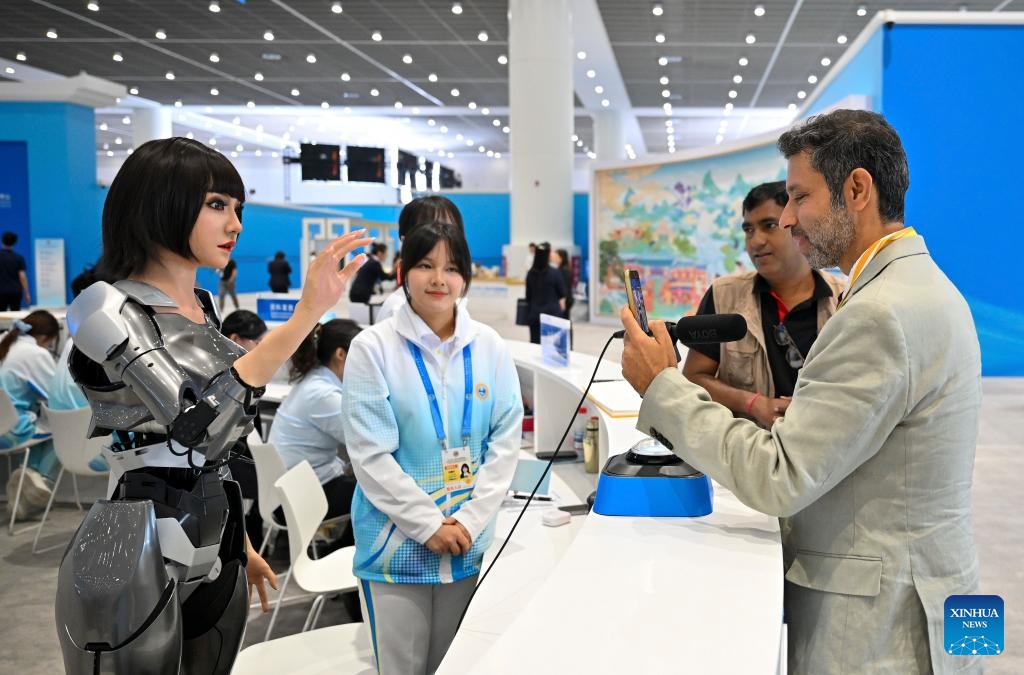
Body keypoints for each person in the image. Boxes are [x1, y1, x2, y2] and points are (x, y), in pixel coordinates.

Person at [618, 109, 981, 673]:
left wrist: (662, 387)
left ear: (856, 189)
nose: (785, 219)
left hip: (882, 626)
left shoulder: (878, 314)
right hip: (939, 588)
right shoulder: (929, 288)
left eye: (798, 197)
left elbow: (780, 476)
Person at [56, 136, 372, 674]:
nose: (235, 225)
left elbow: (219, 450)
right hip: (136, 543)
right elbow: (196, 428)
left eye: (238, 208)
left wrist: (239, 540)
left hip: (218, 538)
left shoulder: (202, 306)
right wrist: (305, 316)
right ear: (161, 203)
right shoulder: (106, 308)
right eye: (217, 205)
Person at [343, 221, 522, 674]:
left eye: (451, 267)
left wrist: (469, 520)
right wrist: (427, 525)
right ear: (403, 270)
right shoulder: (373, 348)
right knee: (402, 668)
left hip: (466, 541)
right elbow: (369, 456)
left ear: (466, 276)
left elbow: (505, 441)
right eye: (426, 265)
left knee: (455, 665)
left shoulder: (491, 347)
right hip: (394, 545)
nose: (439, 279)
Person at [682, 181, 843, 428]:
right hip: (748, 451)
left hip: (824, 452)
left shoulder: (845, 298)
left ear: (797, 225)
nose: (755, 241)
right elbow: (694, 377)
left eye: (769, 226)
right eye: (748, 229)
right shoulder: (724, 295)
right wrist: (752, 403)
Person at [268, 318, 362, 545]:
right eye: (362, 354)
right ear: (341, 354)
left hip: (289, 492)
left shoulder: (315, 382)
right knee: (375, 492)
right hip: (298, 499)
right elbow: (365, 440)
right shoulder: (322, 394)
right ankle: (342, 553)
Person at [0, 311, 60, 518]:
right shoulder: (35, 354)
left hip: (6, 426)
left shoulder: (4, 342)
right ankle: (39, 482)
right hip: (11, 430)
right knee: (62, 427)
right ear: (44, 338)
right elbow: (55, 395)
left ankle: (28, 479)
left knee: (43, 422)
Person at [220, 309, 269, 548]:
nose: (260, 347)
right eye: (256, 342)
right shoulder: (226, 377)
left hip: (242, 458)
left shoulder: (244, 371)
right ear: (235, 339)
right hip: (229, 463)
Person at [376, 195, 465, 323]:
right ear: (405, 241)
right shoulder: (396, 311)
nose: (442, 238)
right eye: (430, 231)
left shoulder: (456, 304)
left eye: (450, 230)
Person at [523, 242, 567, 344]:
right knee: (553, 351)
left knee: (535, 347)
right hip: (553, 316)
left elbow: (528, 296)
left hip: (535, 317)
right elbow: (562, 295)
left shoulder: (530, 274)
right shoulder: (555, 273)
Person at [0, 231, 31, 310]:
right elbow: (22, 277)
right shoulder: (18, 258)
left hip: (1, 291)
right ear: (14, 243)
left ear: (2, 241)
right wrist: (26, 292)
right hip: (15, 291)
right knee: (15, 314)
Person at [552, 248, 574, 320]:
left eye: (556, 257)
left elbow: (565, 288)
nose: (554, 259)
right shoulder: (562, 269)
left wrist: (563, 301)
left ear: (561, 258)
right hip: (565, 300)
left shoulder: (563, 270)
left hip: (565, 301)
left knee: (564, 322)